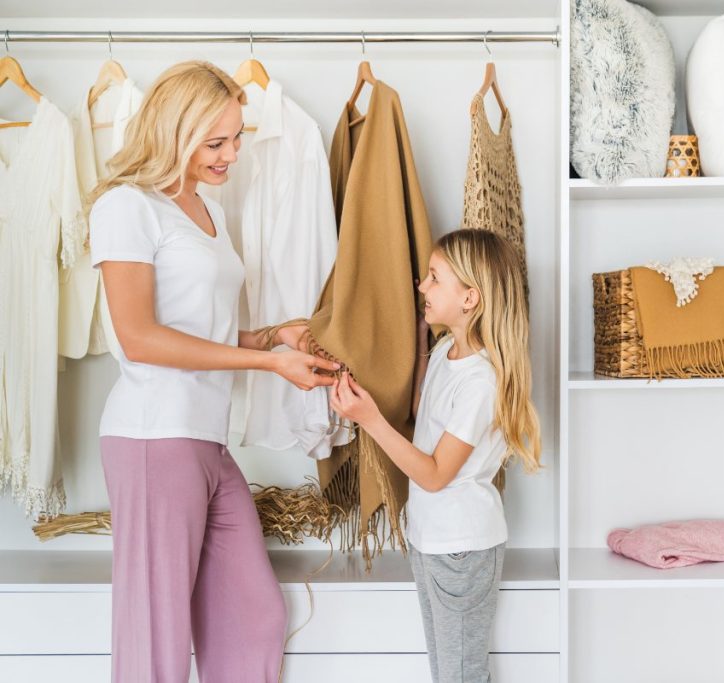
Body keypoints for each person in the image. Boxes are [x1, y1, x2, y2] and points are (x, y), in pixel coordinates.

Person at [87, 60, 334, 682]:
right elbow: (140, 338)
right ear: (174, 132)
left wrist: (271, 337)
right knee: (155, 639)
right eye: (215, 141)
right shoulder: (127, 206)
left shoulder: (208, 212)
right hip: (152, 437)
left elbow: (203, 333)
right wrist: (266, 361)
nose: (233, 153)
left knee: (253, 613)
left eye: (238, 136)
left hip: (203, 437)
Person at [330, 228, 541, 682]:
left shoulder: (480, 382)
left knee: (460, 675)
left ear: (470, 298)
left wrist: (368, 419)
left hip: (461, 548)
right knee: (447, 671)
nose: (421, 285)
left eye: (433, 278)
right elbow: (420, 410)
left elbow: (434, 474)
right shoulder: (449, 349)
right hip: (432, 539)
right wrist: (422, 334)